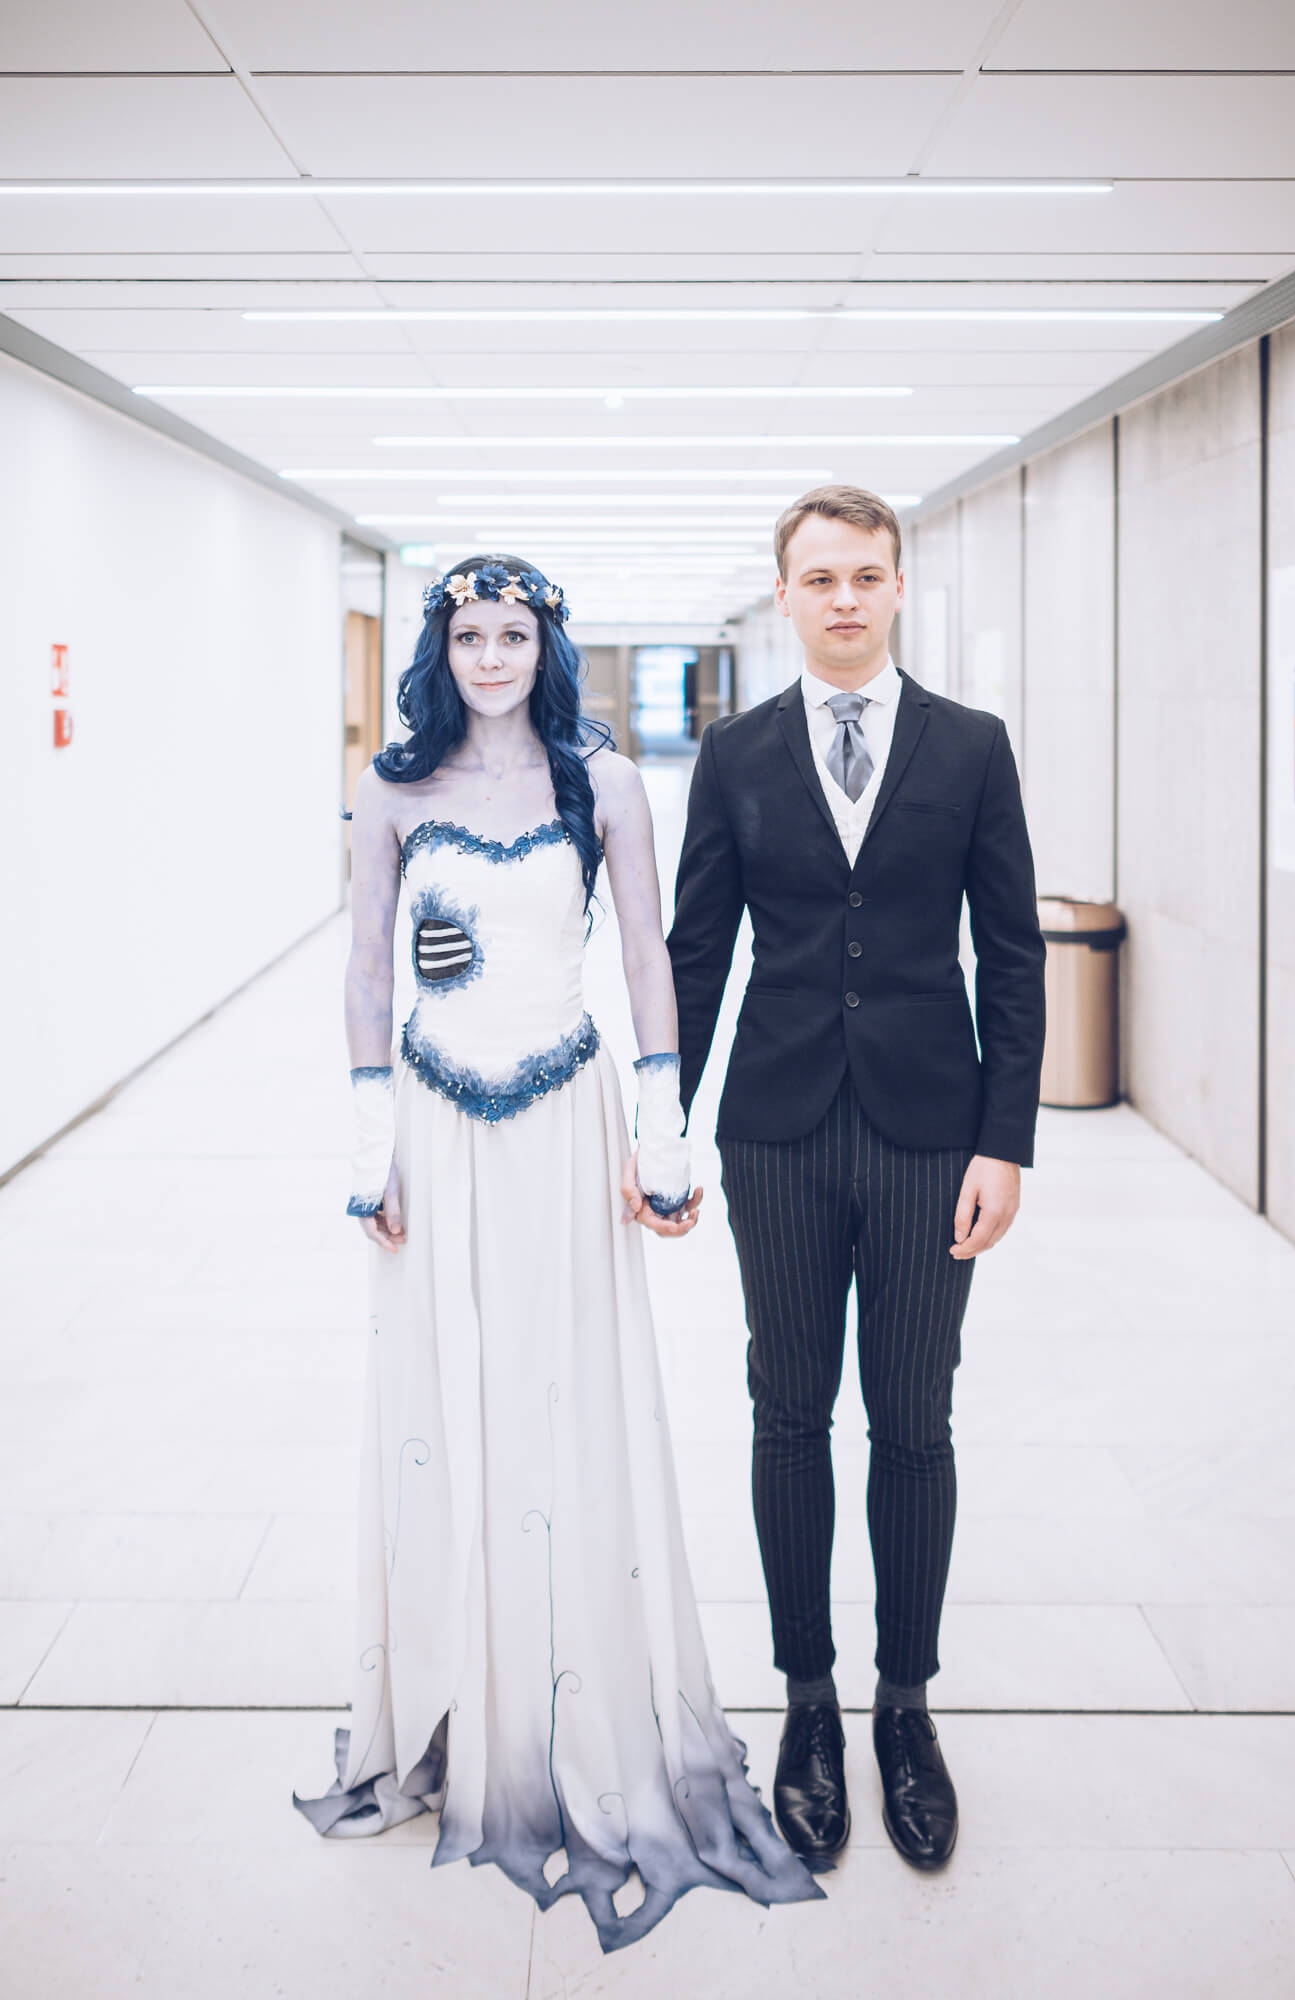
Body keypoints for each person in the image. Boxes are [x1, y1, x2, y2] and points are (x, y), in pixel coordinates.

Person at [295, 555, 819, 1953]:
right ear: (441, 647)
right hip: (435, 1123)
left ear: (546, 645)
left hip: (565, 1121)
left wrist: (663, 1130)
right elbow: (365, 968)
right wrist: (370, 1143)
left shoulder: (606, 783)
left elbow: (648, 959)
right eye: (468, 634)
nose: (490, 656)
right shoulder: (393, 789)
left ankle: (572, 1698)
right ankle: (462, 1704)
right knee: (447, 1403)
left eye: (512, 634)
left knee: (565, 1396)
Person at [666, 487, 1046, 1873]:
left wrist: (1005, 1141)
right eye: (819, 577)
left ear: (896, 586)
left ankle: (905, 1706)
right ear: (784, 594)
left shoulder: (971, 746)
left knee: (913, 1422)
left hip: (929, 1133)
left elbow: (1013, 952)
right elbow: (696, 952)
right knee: (786, 1417)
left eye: (865, 576)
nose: (843, 599)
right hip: (774, 1130)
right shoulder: (736, 754)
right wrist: (661, 1124)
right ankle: (809, 1703)